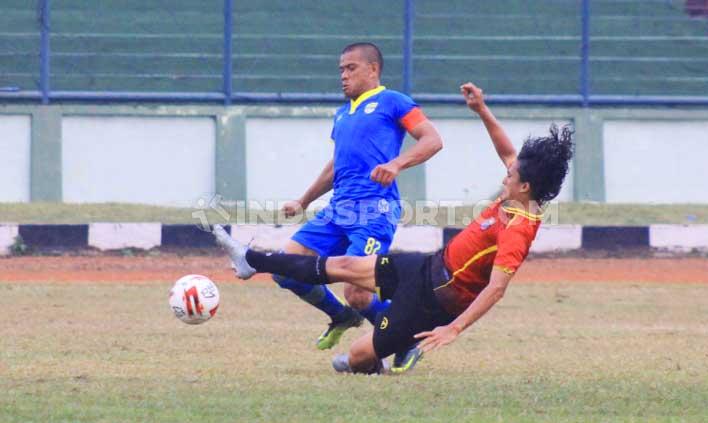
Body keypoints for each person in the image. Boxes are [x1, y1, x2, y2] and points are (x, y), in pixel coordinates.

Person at [216, 82, 574, 374]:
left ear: (525, 186)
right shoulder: (518, 193)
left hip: (434, 301)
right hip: (426, 266)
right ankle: (252, 260)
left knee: (354, 357)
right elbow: (507, 151)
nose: (505, 175)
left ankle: (381, 357)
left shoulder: (518, 229)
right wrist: (481, 109)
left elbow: (496, 289)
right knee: (343, 267)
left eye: (510, 176)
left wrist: (454, 328)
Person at [271, 42, 444, 366]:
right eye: (341, 70)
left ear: (373, 69)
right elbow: (336, 166)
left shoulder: (393, 101)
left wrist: (397, 164)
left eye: (351, 68)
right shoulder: (342, 113)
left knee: (358, 292)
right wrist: (304, 200)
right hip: (338, 210)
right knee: (284, 268)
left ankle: (403, 338)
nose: (343, 76)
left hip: (374, 210)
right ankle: (340, 316)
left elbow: (432, 139)